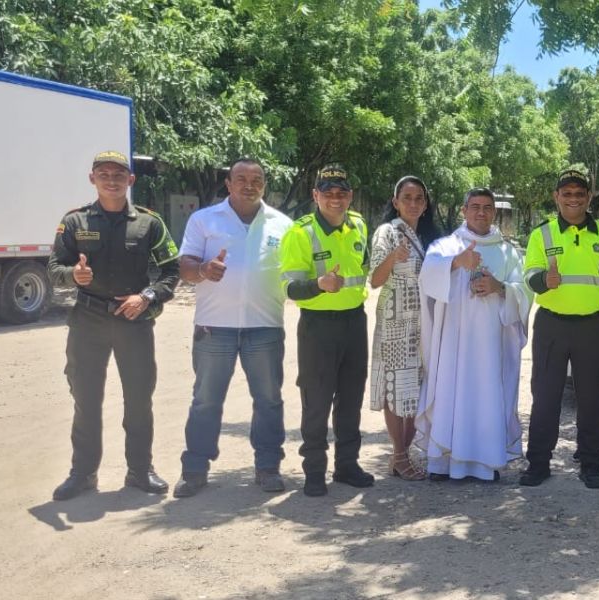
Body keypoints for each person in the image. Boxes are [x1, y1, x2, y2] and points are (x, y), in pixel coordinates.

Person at [48, 150, 180, 501]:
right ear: (92, 178)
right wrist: (73, 275)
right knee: (86, 400)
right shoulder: (74, 222)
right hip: (87, 321)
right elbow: (54, 271)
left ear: (130, 180)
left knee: (139, 399)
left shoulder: (149, 223)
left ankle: (140, 471)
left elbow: (171, 270)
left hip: (132, 319)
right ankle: (83, 474)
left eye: (119, 174)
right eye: (103, 173)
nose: (111, 179)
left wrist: (147, 297)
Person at [173, 158, 295, 497]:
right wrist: (202, 271)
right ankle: (195, 470)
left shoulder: (282, 225)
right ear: (228, 184)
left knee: (269, 400)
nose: (249, 184)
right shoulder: (204, 220)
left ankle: (268, 467)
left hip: (265, 327)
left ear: (265, 185)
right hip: (215, 328)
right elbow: (184, 265)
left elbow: (294, 272)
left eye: (257, 179)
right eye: (240, 178)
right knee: (206, 401)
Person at [519, 169, 599, 489]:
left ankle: (591, 464)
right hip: (552, 323)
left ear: (588, 198)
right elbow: (529, 275)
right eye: (566, 193)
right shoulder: (543, 235)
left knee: (593, 397)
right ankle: (539, 463)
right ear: (556, 198)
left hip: (592, 325)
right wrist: (545, 281)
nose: (573, 199)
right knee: (545, 396)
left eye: (579, 193)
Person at [416, 188, 531, 482]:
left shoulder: (508, 252)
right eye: (475, 206)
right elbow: (427, 278)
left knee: (486, 393)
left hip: (491, 343)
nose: (481, 212)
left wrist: (499, 287)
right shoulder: (446, 245)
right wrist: (456, 263)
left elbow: (525, 291)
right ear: (464, 211)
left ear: (494, 212)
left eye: (487, 207)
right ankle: (441, 462)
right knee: (449, 391)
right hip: (452, 340)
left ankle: (484, 463)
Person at [279, 163, 374, 497]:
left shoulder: (360, 225)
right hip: (318, 328)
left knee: (351, 398)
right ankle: (314, 470)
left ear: (350, 196)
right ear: (315, 195)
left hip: (354, 321)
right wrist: (319, 284)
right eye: (328, 193)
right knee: (316, 399)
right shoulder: (300, 233)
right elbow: (289, 288)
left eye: (342, 193)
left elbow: (363, 270)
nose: (336, 199)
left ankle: (347, 465)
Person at [368, 175, 443, 481]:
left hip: (422, 318)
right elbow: (374, 280)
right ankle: (399, 455)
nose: (413, 203)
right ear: (395, 202)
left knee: (416, 386)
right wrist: (392, 257)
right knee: (394, 386)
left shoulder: (429, 237)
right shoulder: (387, 232)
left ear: (425, 205)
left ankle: (403, 453)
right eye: (407, 198)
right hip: (395, 317)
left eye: (419, 199)